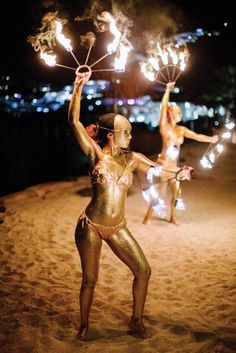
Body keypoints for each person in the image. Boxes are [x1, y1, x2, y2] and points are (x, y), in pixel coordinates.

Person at [68, 72, 192, 340]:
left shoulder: (133, 158)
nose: (130, 136)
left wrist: (178, 173)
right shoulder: (95, 154)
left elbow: (159, 170)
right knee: (90, 280)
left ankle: (136, 321)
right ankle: (84, 326)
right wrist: (78, 88)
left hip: (117, 228)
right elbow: (74, 121)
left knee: (144, 271)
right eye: (126, 132)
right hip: (89, 226)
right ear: (111, 136)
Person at [143, 81, 218, 226]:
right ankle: (147, 217)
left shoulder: (181, 130)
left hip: (175, 168)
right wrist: (167, 91)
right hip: (163, 166)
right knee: (160, 194)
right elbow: (163, 107)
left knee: (177, 193)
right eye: (176, 112)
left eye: (179, 112)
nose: (178, 114)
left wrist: (211, 139)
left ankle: (173, 218)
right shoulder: (164, 127)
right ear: (171, 114)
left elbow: (197, 136)